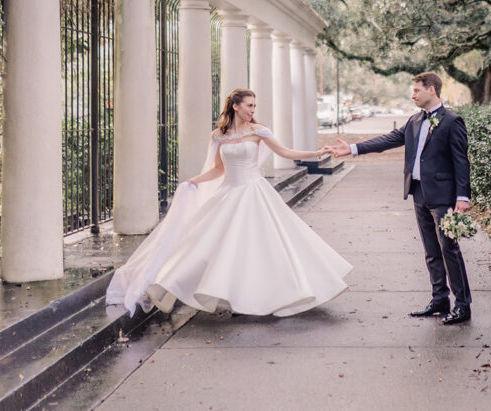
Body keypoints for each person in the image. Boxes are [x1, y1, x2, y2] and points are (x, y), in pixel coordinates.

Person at [106, 88, 352, 317]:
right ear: (235, 106)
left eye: (254, 106)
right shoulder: (219, 135)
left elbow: (285, 152)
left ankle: (274, 294)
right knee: (217, 247)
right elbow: (218, 170)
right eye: (249, 105)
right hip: (229, 192)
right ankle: (227, 294)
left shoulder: (258, 131)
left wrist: (317, 153)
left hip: (254, 192)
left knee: (264, 245)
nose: (252, 110)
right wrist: (194, 181)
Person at [327, 72, 472, 325]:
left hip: (443, 196)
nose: (413, 94)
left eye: (417, 90)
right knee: (431, 251)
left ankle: (462, 305)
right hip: (418, 193)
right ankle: (440, 299)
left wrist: (462, 197)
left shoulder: (452, 121)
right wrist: (352, 149)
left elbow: (461, 161)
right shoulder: (414, 121)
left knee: (449, 249)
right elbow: (388, 140)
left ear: (432, 90)